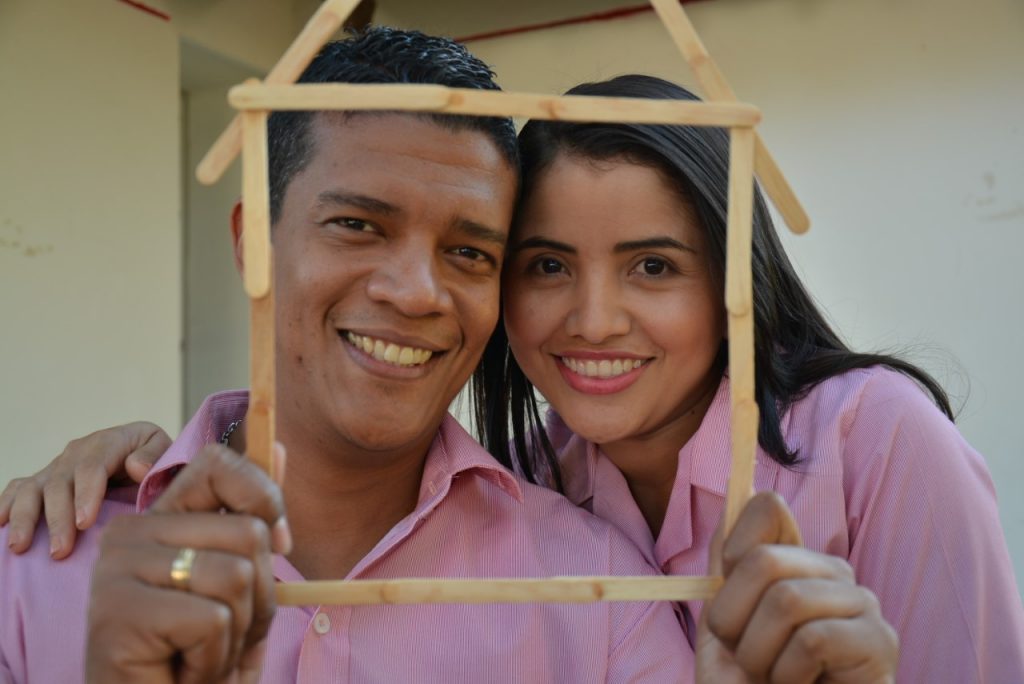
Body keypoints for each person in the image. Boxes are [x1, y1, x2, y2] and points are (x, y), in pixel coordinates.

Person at [0, 53, 904, 683]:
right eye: (358, 224)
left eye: (470, 251)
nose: (414, 291)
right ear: (255, 245)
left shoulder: (599, 593)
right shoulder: (37, 564)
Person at [485, 75, 1024, 682]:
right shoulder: (512, 489)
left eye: (653, 266)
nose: (594, 322)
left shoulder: (876, 438)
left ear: (736, 283)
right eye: (548, 265)